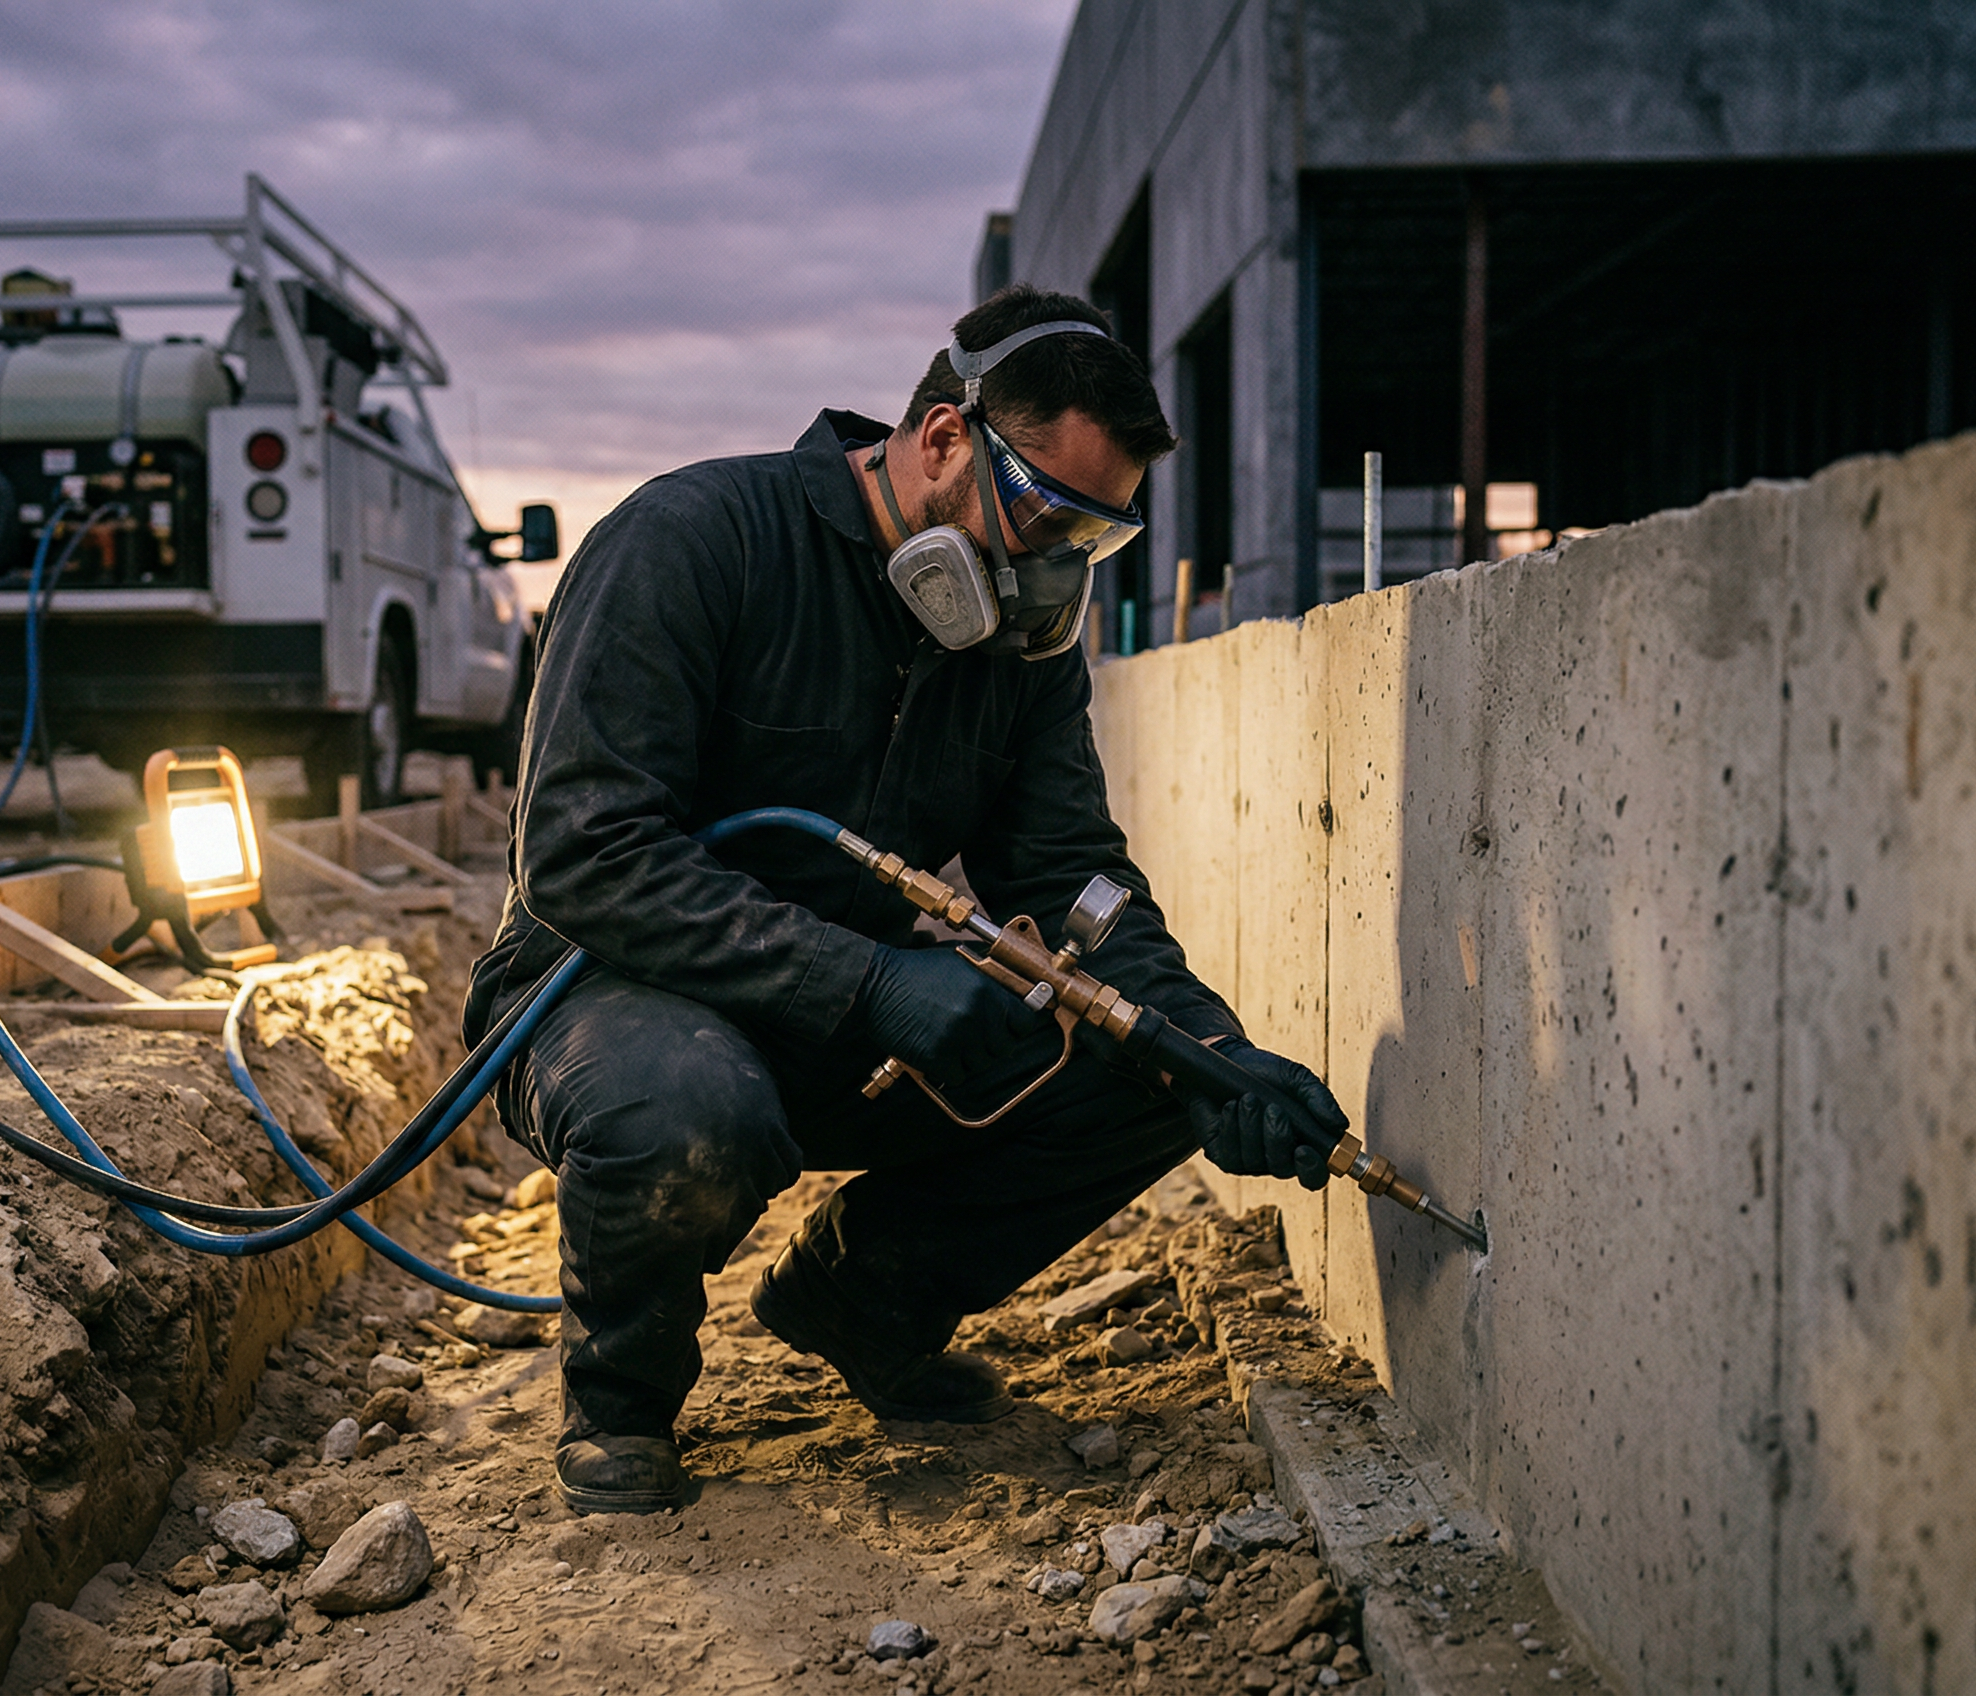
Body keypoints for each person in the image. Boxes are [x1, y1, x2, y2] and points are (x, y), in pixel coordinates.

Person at [465, 285, 1346, 1515]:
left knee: (1145, 1069)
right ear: (942, 438)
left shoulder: (1017, 652)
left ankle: (859, 1299)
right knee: (691, 1106)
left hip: (838, 1016)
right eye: (1043, 510)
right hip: (607, 990)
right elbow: (583, 851)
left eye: (1093, 541)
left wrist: (1208, 1047)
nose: (1052, 567)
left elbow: (1072, 877)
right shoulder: (694, 540)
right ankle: (621, 1399)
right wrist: (868, 980)